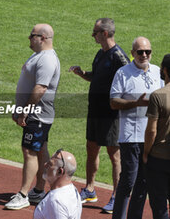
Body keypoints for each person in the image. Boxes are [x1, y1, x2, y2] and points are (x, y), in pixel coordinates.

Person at [69, 18, 129, 213]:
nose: (92, 35)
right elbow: (96, 76)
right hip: (94, 111)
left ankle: (116, 196)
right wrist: (82, 73)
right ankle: (90, 189)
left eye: (94, 32)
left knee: (114, 155)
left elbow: (128, 81)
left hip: (110, 114)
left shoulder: (118, 56)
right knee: (91, 148)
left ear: (104, 33)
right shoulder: (100, 53)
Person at [4, 23, 60, 210]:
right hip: (37, 114)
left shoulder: (46, 60)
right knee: (41, 149)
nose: (29, 38)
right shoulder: (39, 56)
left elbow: (40, 88)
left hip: (37, 115)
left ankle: (23, 194)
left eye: (32, 35)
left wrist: (25, 111)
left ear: (42, 38)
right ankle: (38, 190)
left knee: (29, 152)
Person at [110, 37, 163, 219]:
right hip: (131, 137)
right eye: (140, 52)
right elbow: (113, 102)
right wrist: (136, 103)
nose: (144, 55)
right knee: (128, 181)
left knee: (144, 183)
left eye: (147, 51)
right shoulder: (123, 73)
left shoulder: (158, 72)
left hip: (152, 138)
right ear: (132, 53)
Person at [143, 54, 170, 219]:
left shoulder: (158, 95)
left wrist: (146, 153)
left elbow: (151, 131)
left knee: (159, 206)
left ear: (165, 70)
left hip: (159, 159)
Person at [33, 149, 82, 219]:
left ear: (59, 171)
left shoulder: (56, 201)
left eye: (50, 164)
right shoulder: (73, 190)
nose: (45, 164)